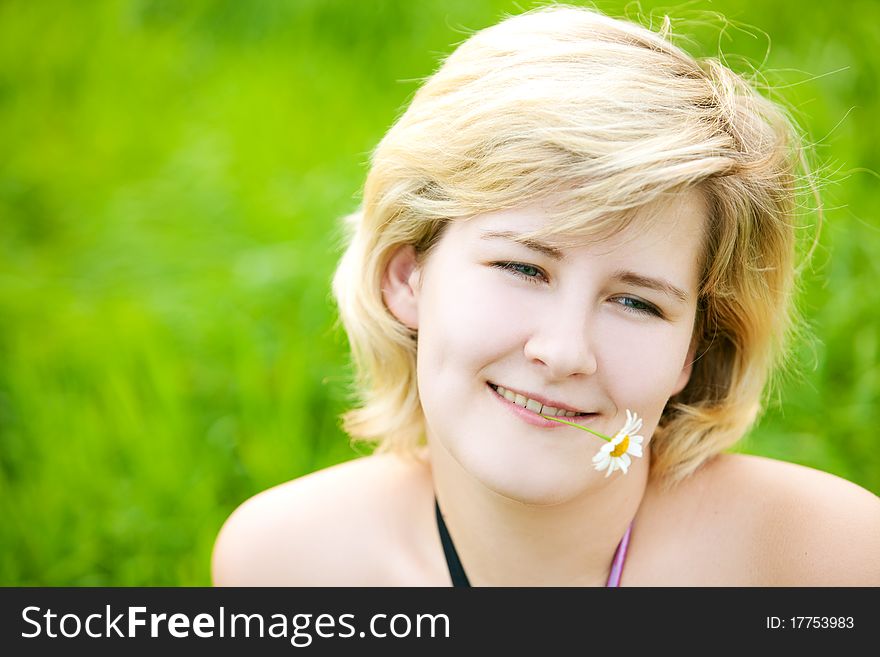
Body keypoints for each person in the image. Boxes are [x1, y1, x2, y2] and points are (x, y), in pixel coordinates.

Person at [211, 4, 880, 586]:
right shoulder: (284, 563)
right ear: (406, 278)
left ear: (693, 352)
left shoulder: (826, 561)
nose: (564, 352)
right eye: (523, 268)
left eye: (637, 302)